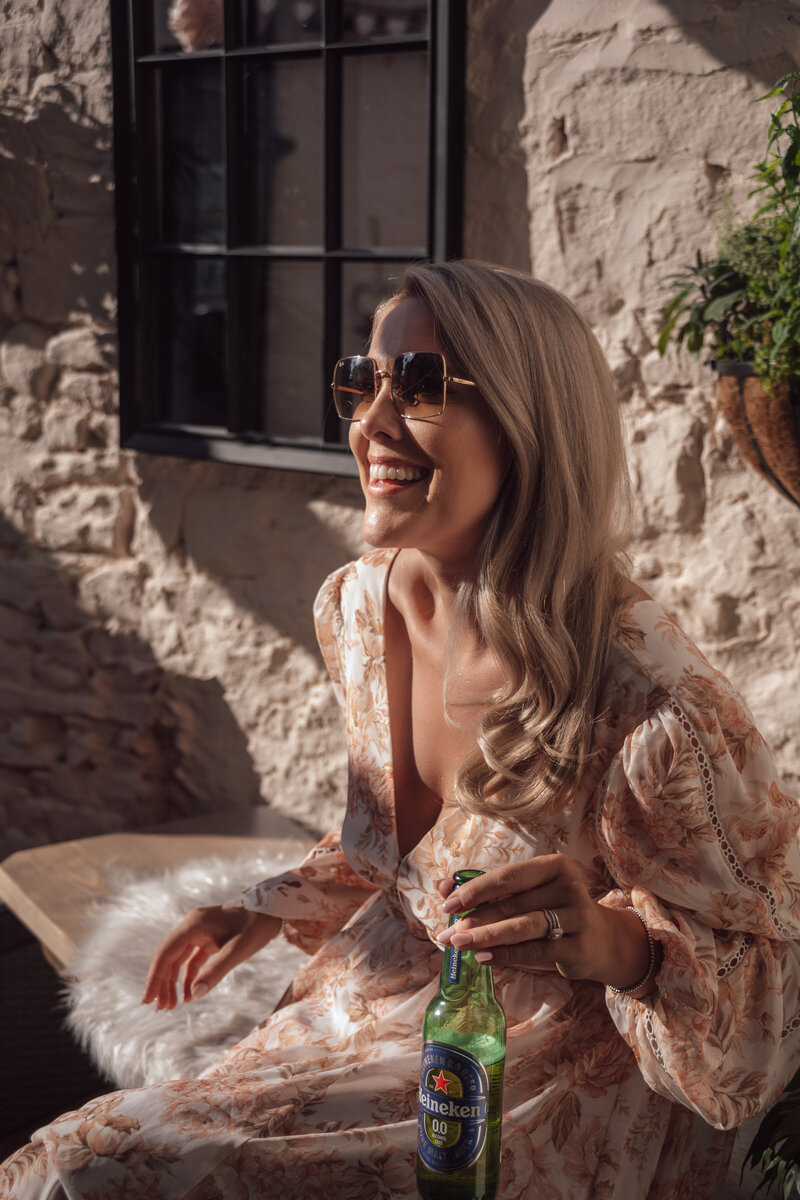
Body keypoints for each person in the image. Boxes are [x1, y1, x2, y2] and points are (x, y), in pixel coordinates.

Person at [2, 260, 800, 1200]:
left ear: (528, 421)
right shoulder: (357, 606)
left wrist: (612, 942)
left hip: (524, 1086)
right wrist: (263, 904)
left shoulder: (657, 707)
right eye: (363, 379)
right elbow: (394, 842)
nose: (371, 423)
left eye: (419, 386)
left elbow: (766, 1006)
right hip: (367, 999)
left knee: (90, 1172)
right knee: (72, 1164)